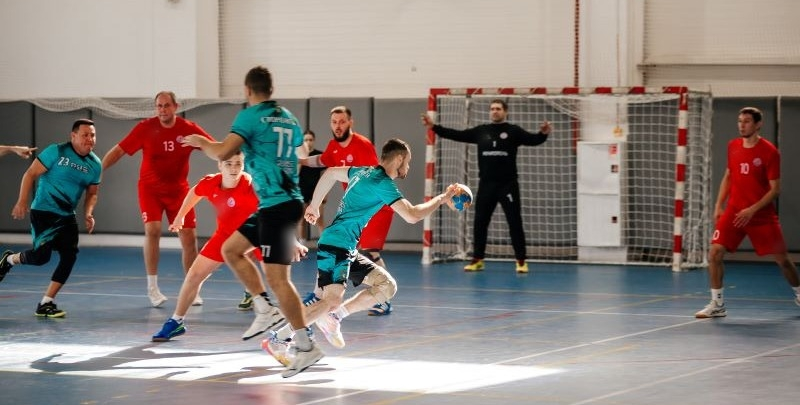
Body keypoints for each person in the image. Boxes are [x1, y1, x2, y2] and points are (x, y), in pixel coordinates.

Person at [181, 65, 323, 378]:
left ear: (247, 90)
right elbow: (299, 154)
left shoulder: (250, 116)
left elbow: (222, 151)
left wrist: (201, 142)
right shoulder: (289, 117)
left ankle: (304, 345)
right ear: (271, 90)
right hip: (279, 202)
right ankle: (263, 306)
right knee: (231, 249)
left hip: (278, 205)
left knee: (279, 281)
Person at [264, 138, 458, 363]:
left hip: (345, 247)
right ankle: (280, 338)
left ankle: (335, 317)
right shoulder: (381, 182)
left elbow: (330, 173)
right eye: (408, 161)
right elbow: (412, 215)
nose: (408, 166)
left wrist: (315, 205)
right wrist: (442, 198)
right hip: (336, 245)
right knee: (330, 299)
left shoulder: (362, 171)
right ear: (399, 159)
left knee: (386, 286)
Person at [101, 91, 215, 307]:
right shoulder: (145, 128)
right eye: (159, 106)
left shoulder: (187, 129)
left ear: (175, 107)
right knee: (152, 230)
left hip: (179, 191)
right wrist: (97, 172)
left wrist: (232, 156)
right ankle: (152, 288)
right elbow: (118, 151)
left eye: (166, 106)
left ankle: (192, 289)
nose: (162, 110)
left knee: (189, 237)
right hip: (150, 190)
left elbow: (213, 147)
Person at [422, 99, 551, 273]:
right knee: (480, 222)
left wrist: (543, 134)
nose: (495, 111)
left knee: (515, 222)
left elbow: (533, 139)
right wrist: (434, 127)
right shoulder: (481, 131)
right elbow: (457, 134)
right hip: (486, 185)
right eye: (492, 109)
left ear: (505, 111)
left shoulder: (514, 131)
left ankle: (521, 261)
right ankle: (478, 260)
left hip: (508, 185)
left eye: (498, 108)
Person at [695, 107, 800, 318]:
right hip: (734, 211)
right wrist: (718, 205)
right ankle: (717, 304)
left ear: (758, 124)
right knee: (714, 253)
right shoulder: (733, 146)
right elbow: (729, 175)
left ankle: (799, 293)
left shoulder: (770, 152)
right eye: (740, 121)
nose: (742, 125)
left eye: (747, 121)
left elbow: (775, 190)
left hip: (761, 215)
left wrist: (752, 210)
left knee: (783, 260)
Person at [151, 151, 261, 341]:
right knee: (194, 275)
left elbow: (275, 209)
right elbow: (194, 193)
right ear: (219, 165)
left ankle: (295, 327)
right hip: (224, 236)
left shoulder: (252, 185)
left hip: (254, 236)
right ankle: (176, 321)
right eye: (229, 164)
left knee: (278, 281)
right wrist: (180, 216)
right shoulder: (211, 182)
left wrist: (288, 240)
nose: (234, 168)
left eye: (238, 164)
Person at [0, 119, 101, 317]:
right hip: (44, 211)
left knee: (70, 256)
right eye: (85, 135)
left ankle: (46, 302)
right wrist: (22, 201)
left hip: (67, 215)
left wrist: (88, 213)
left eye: (93, 135)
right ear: (73, 136)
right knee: (40, 258)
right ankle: (9, 260)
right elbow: (30, 174)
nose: (90, 139)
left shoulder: (95, 164)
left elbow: (92, 193)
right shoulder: (56, 151)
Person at [301, 106, 395, 316]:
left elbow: (376, 178)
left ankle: (383, 299)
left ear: (351, 123)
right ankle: (320, 294)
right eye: (334, 122)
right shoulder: (333, 146)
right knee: (335, 246)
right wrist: (300, 161)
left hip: (375, 207)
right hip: (355, 211)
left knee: (368, 251)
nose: (338, 126)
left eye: (342, 121)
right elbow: (322, 161)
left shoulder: (362, 145)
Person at [296, 130, 326, 241]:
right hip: (302, 190)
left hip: (316, 190)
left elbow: (325, 175)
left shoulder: (319, 155)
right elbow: (295, 174)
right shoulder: (298, 157)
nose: (308, 142)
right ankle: (302, 244)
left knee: (319, 219)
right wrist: (301, 159)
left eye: (310, 140)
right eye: (306, 140)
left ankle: (324, 244)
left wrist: (325, 193)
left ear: (314, 141)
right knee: (301, 220)